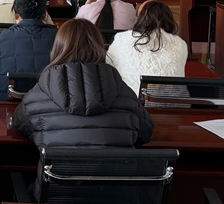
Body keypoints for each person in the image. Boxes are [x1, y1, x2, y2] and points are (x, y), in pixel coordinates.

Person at [14, 18, 154, 147]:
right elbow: (145, 131)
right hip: (115, 167)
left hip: (58, 167)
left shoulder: (41, 92)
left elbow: (20, 124)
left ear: (58, 48)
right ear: (99, 46)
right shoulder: (123, 92)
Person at [0, 0, 58, 100]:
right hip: (52, 105)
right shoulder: (61, 38)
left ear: (15, 14)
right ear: (45, 14)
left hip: (7, 105)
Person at [106, 1, 187, 96]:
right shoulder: (180, 44)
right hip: (175, 102)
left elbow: (109, 66)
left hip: (134, 101)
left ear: (140, 19)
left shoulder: (122, 39)